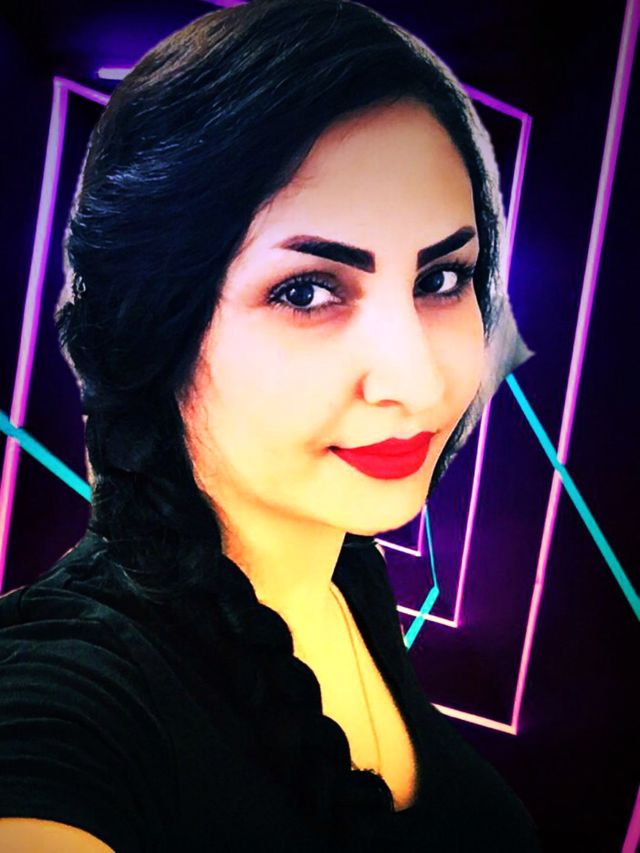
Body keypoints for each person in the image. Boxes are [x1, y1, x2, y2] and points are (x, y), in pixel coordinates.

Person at [0, 0, 541, 850]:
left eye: (441, 279)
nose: (416, 381)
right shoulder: (69, 699)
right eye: (307, 291)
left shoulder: (344, 567)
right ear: (156, 324)